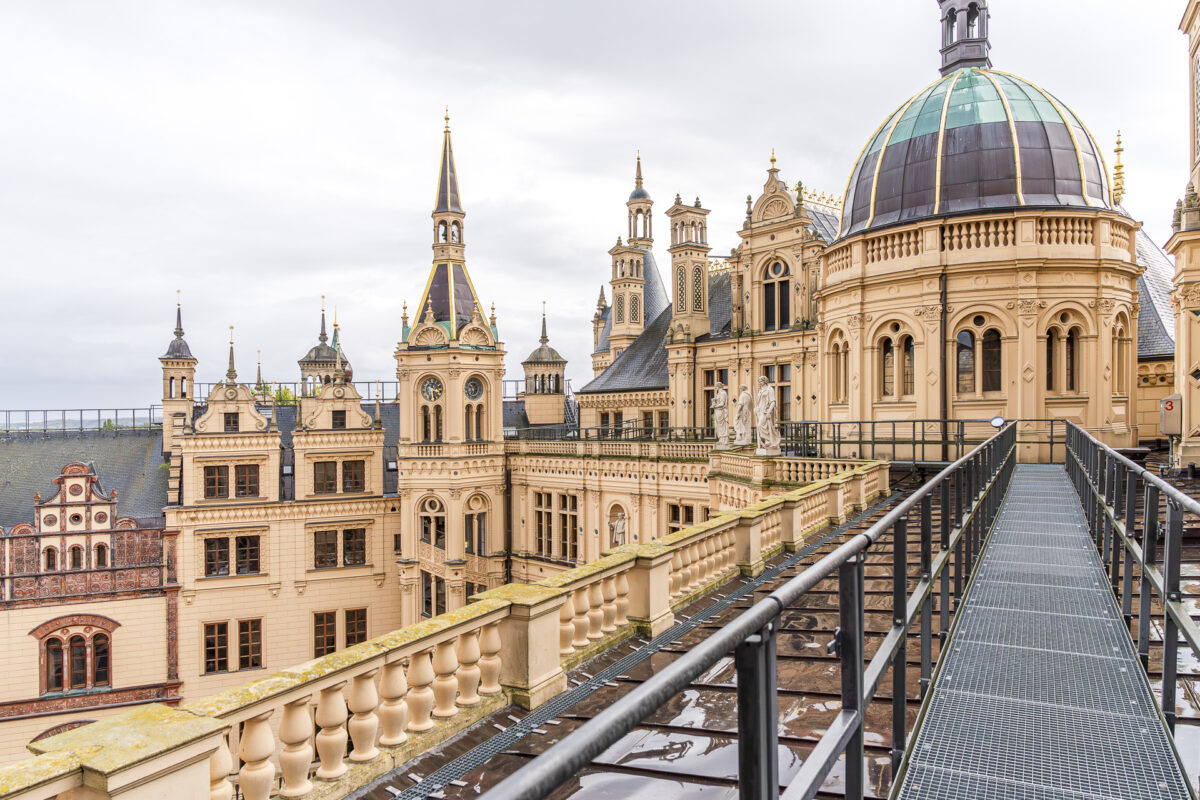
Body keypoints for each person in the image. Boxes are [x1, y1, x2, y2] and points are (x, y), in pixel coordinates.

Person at [755, 375, 782, 456]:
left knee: (760, 426)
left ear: (765, 381)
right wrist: (756, 408)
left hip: (765, 411)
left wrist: (769, 412)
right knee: (762, 426)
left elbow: (773, 401)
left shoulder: (770, 390)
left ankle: (768, 440)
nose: (760, 383)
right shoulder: (760, 391)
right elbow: (759, 402)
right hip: (760, 411)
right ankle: (767, 440)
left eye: (761, 381)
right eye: (759, 381)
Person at [711, 381, 730, 449]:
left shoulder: (723, 393)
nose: (715, 387)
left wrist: (714, 406)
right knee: (718, 426)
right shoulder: (718, 394)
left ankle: (724, 440)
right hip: (717, 411)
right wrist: (714, 401)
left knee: (722, 426)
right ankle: (721, 439)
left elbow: (722, 404)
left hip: (721, 411)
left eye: (716, 386)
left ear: (718, 386)